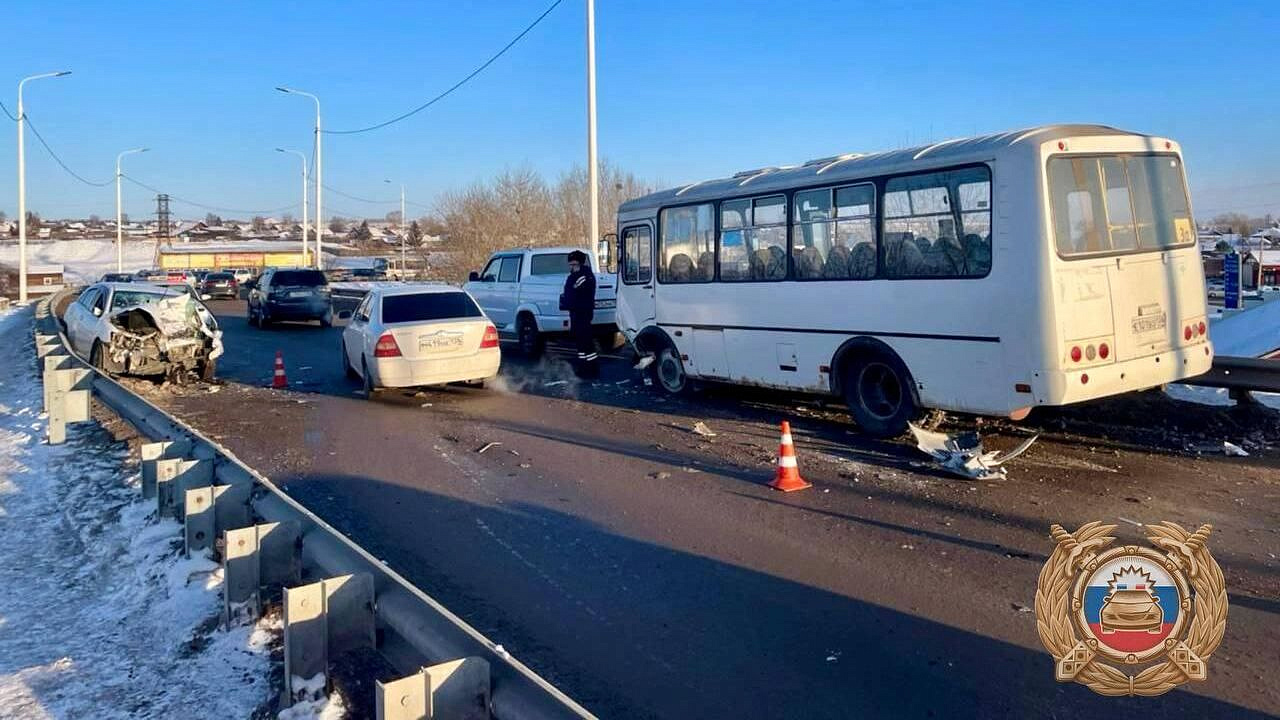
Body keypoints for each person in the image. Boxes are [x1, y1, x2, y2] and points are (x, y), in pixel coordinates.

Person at [562, 250, 598, 377]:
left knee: (585, 341)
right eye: (570, 264)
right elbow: (570, 293)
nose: (571, 267)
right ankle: (583, 367)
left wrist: (569, 301)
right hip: (576, 312)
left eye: (574, 264)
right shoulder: (575, 276)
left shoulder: (584, 277)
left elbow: (575, 292)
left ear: (580, 263)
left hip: (582, 312)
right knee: (580, 342)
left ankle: (590, 369)